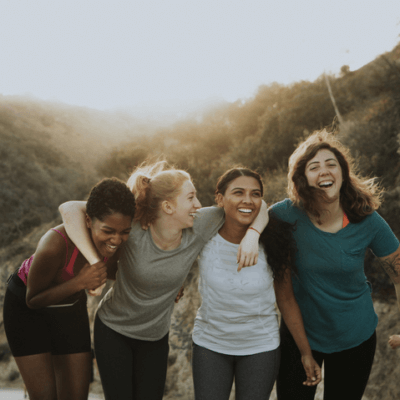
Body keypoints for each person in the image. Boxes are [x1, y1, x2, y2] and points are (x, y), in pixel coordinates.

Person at [58, 161, 267, 400]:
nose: (198, 205)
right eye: (191, 198)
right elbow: (69, 208)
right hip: (113, 330)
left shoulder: (200, 224)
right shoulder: (134, 227)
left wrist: (253, 235)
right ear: (168, 206)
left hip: (155, 338)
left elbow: (257, 206)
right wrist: (96, 263)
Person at [270, 130, 400, 400]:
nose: (324, 171)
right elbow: (253, 213)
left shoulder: (367, 219)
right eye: (314, 167)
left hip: (355, 335)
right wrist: (250, 237)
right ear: (302, 177)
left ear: (342, 172)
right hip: (299, 333)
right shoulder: (285, 215)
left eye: (331, 164)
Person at [191, 168, 321, 400]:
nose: (248, 200)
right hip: (210, 344)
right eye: (238, 192)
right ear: (220, 199)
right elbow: (174, 252)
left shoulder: (274, 242)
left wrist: (306, 352)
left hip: (260, 347)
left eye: (255, 194)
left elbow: (286, 299)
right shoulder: (204, 234)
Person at [3, 178, 135, 400]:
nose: (116, 239)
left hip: (69, 307)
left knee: (76, 395)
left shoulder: (116, 244)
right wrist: (80, 282)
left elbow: (119, 272)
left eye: (125, 232)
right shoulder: (55, 244)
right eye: (108, 231)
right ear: (88, 220)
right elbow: (32, 300)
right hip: (26, 310)